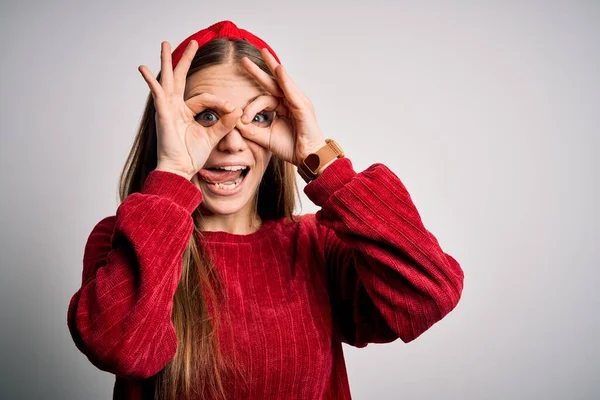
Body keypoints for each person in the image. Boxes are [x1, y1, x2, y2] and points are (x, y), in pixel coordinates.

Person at [66, 20, 464, 400]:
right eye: (206, 117)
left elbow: (429, 296)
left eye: (259, 117)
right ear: (165, 125)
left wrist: (322, 162)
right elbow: (119, 346)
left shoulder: (317, 246)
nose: (231, 142)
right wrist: (172, 171)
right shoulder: (119, 242)